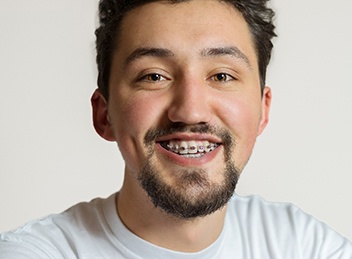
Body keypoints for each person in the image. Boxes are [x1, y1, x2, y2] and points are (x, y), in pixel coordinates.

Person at [1, 0, 351, 258]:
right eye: (154, 76)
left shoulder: (306, 246)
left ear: (263, 110)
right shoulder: (38, 253)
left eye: (222, 75)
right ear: (104, 114)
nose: (190, 111)